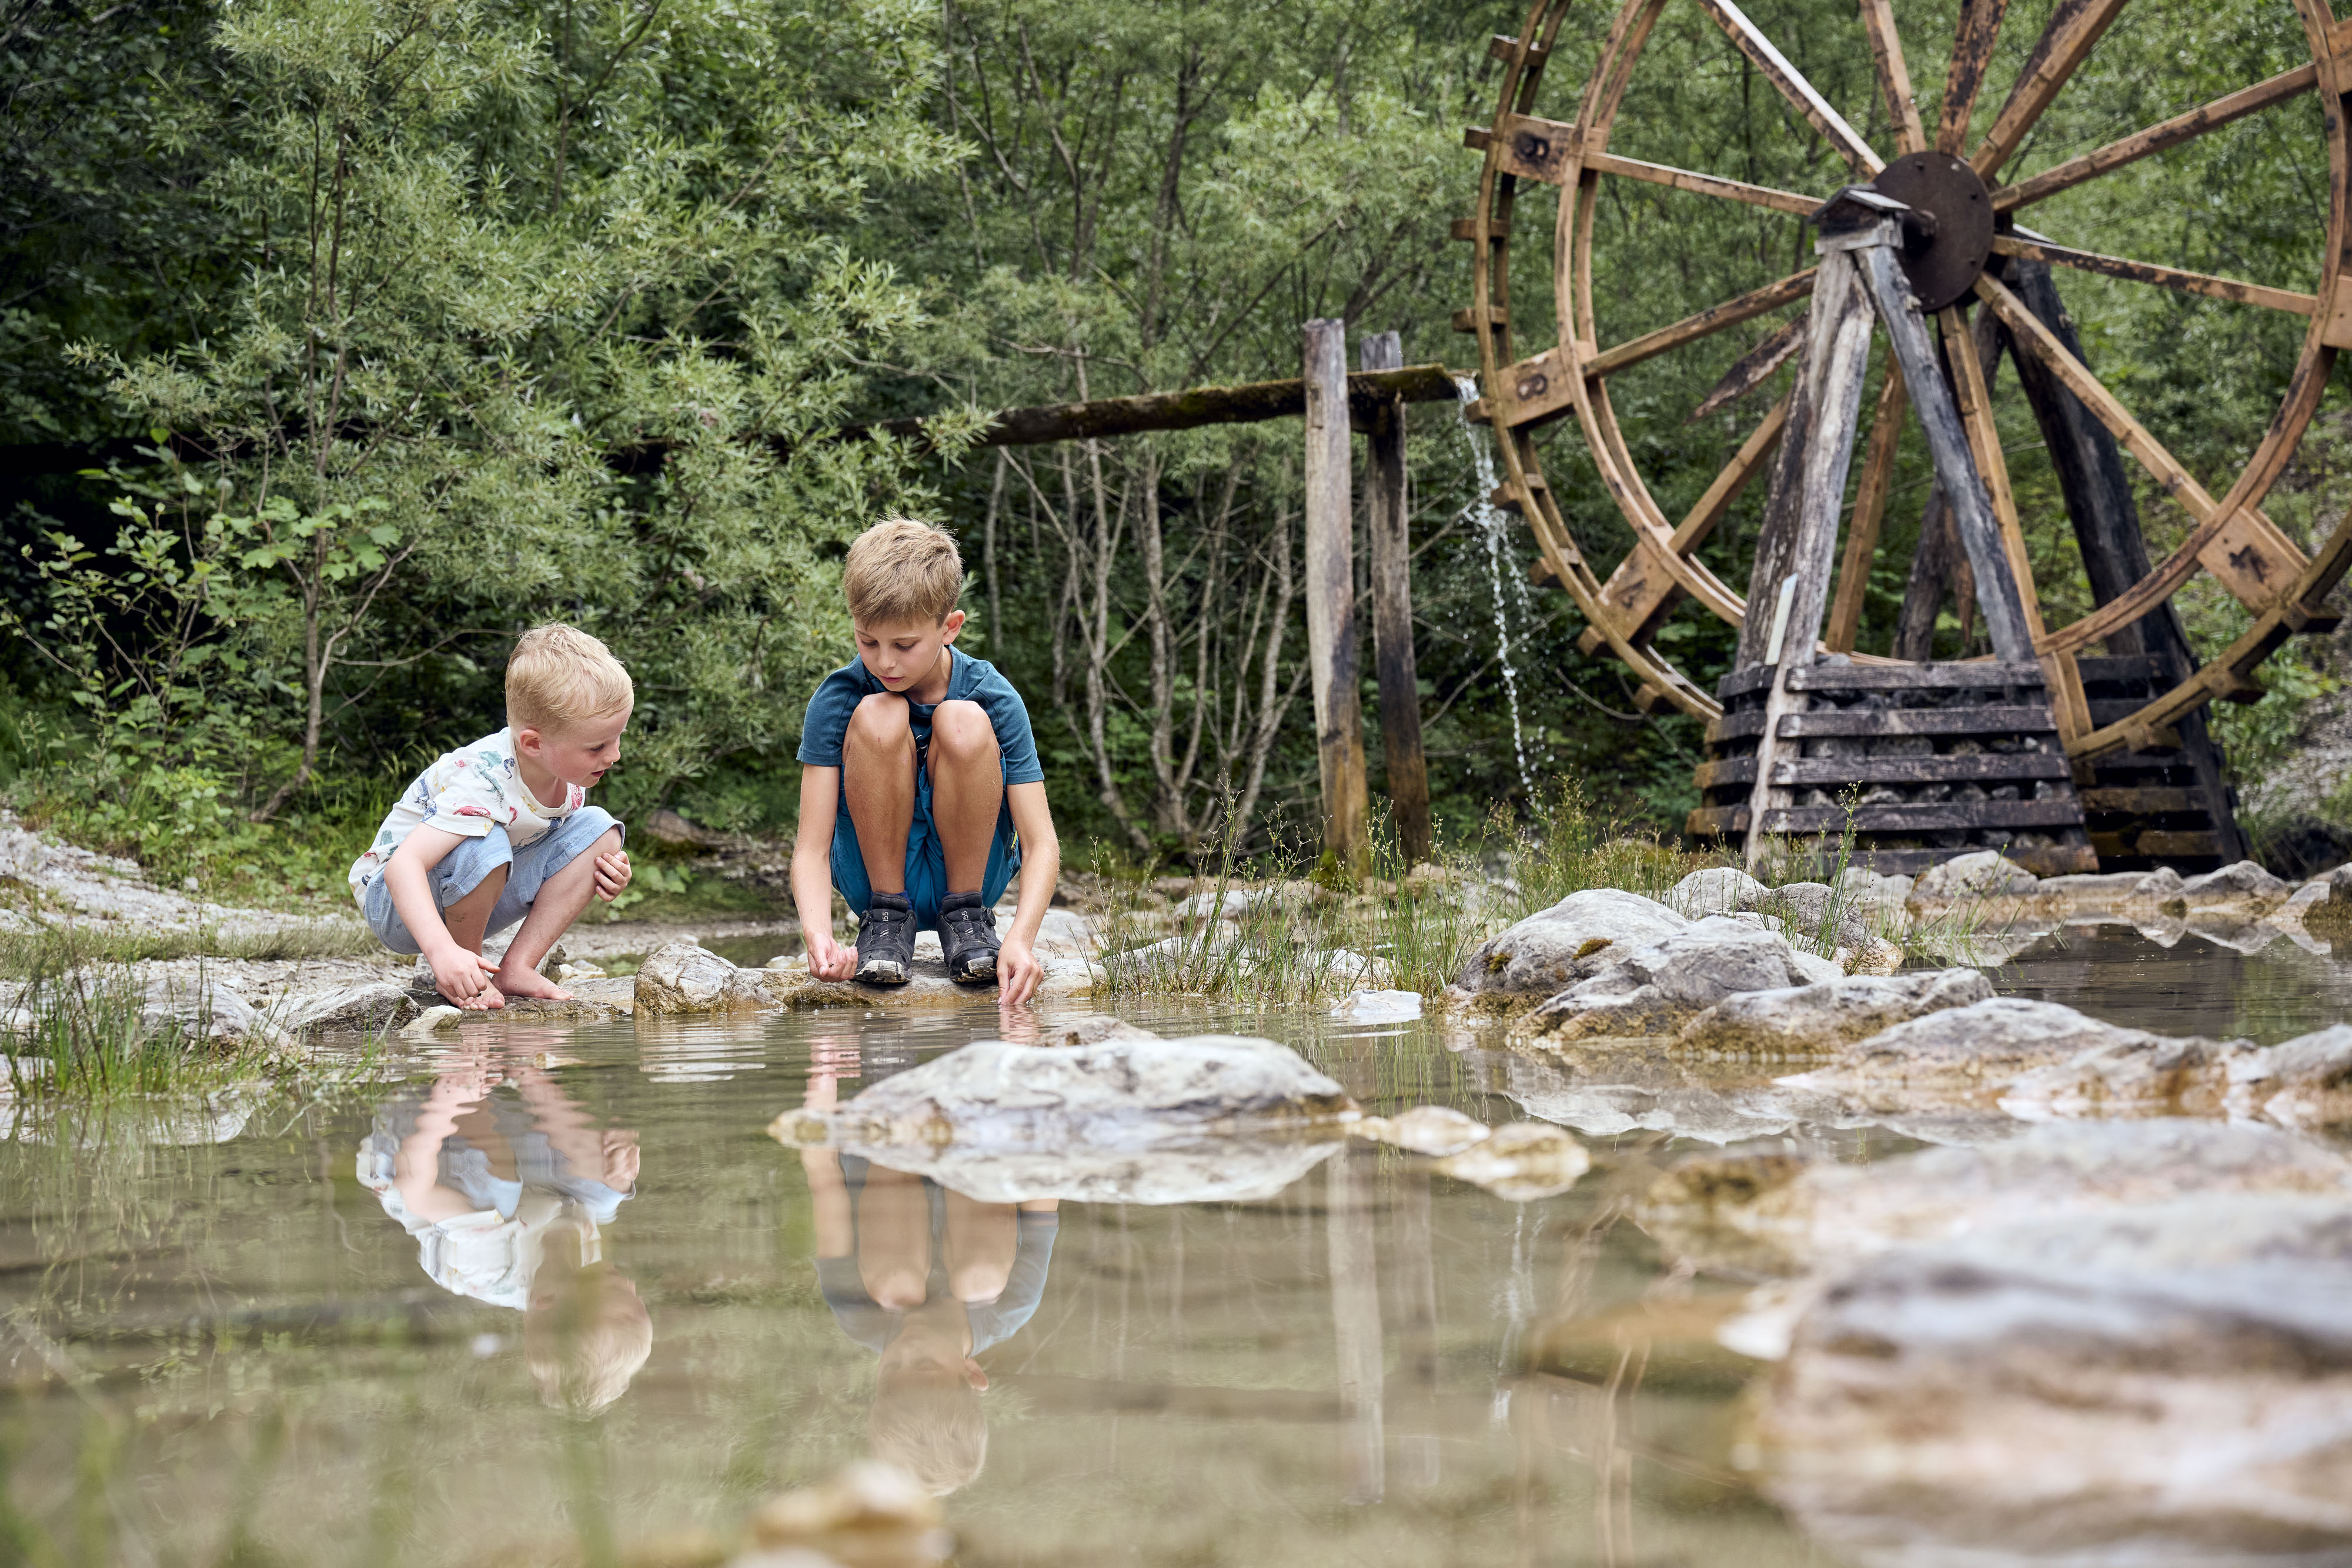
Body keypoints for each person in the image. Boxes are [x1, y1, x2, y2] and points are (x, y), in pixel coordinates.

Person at [790, 519, 1061, 1004]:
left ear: (950, 628)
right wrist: (818, 933)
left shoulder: (993, 696)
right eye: (867, 641)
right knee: (877, 713)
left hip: (975, 876)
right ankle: (889, 919)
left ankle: (968, 919)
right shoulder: (839, 698)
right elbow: (811, 846)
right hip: (873, 884)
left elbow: (1041, 842)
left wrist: (1020, 939)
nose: (885, 663)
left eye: (905, 645)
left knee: (963, 720)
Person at [797, 1063, 1057, 1495]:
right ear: (971, 1372)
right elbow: (1045, 1178)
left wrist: (823, 1082)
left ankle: (893, 1080)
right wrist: (1027, 1076)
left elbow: (824, 1178)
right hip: (979, 1129)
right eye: (924, 1365)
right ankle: (973, 1097)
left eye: (890, 1370)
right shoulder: (1012, 1303)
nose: (904, 1349)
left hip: (884, 1127)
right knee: (981, 1279)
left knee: (894, 1286)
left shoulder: (858, 1314)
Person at [349, 623, 636, 1009]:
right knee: (486, 838)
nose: (614, 754)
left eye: (618, 737)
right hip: (396, 902)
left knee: (601, 831)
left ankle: (517, 967)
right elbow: (405, 865)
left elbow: (565, 853)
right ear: (533, 744)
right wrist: (442, 953)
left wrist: (604, 874)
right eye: (598, 745)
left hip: (471, 884)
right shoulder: (483, 780)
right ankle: (465, 974)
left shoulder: (570, 775)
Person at [357, 1046, 651, 1415]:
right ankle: (526, 1067)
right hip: (497, 1143)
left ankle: (468, 1071)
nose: (631, 1286)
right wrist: (619, 1159)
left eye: (614, 1292)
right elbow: (582, 1197)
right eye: (638, 1299)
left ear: (546, 1301)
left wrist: (442, 1108)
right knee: (605, 1190)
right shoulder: (579, 1266)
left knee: (498, 1193)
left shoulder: (486, 1264)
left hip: (409, 1149)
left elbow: (414, 1187)